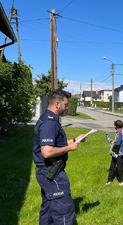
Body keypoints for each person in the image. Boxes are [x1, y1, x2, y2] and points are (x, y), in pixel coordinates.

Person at [33, 90, 83, 225]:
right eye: (65, 105)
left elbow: (55, 143)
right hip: (52, 172)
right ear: (57, 104)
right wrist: (69, 148)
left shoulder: (49, 119)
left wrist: (74, 140)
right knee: (64, 211)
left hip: (47, 171)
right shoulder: (49, 123)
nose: (67, 108)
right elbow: (47, 152)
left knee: (48, 209)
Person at [106, 120, 123, 185]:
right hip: (115, 152)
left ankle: (120, 181)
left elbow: (117, 143)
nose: (114, 126)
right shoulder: (118, 132)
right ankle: (109, 180)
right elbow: (117, 141)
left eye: (114, 125)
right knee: (112, 166)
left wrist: (109, 139)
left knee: (119, 168)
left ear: (117, 126)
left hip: (120, 153)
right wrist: (112, 141)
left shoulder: (120, 133)